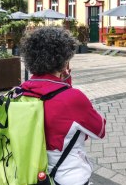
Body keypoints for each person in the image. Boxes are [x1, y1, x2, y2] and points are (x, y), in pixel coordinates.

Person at [19, 26, 106, 185]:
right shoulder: (73, 99)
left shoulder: (17, 94)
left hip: (31, 174)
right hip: (69, 177)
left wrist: (64, 83)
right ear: (64, 60)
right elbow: (100, 130)